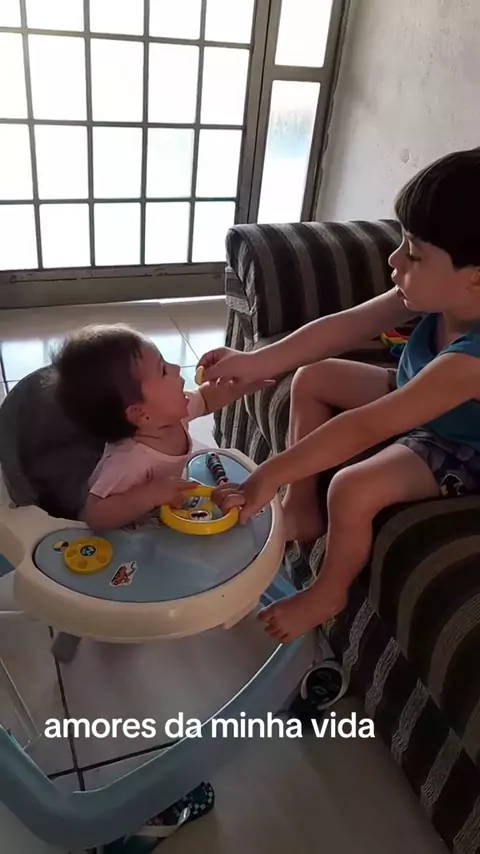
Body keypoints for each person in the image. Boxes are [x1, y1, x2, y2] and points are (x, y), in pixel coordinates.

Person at [198, 148, 480, 643]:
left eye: (414, 254)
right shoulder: (439, 292)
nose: (393, 260)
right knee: (314, 376)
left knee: (351, 489)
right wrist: (254, 362)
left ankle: (328, 592)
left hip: (461, 443)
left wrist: (267, 475)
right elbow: (343, 327)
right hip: (417, 388)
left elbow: (368, 426)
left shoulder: (471, 361)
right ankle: (300, 508)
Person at [52, 324, 271, 531]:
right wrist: (149, 495)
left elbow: (205, 399)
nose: (176, 367)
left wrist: (236, 388)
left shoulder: (169, 418)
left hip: (167, 516)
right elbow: (94, 515)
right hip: (131, 533)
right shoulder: (129, 461)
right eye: (163, 370)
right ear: (140, 413)